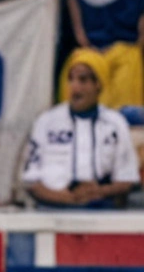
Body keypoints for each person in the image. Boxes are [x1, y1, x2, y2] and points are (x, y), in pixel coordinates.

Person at [23, 48, 141, 207]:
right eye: (71, 79)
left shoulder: (115, 123)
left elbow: (127, 179)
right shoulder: (47, 121)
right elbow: (31, 181)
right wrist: (66, 199)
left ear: (98, 85)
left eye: (83, 80)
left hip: (101, 208)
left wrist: (99, 192)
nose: (75, 87)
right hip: (52, 208)